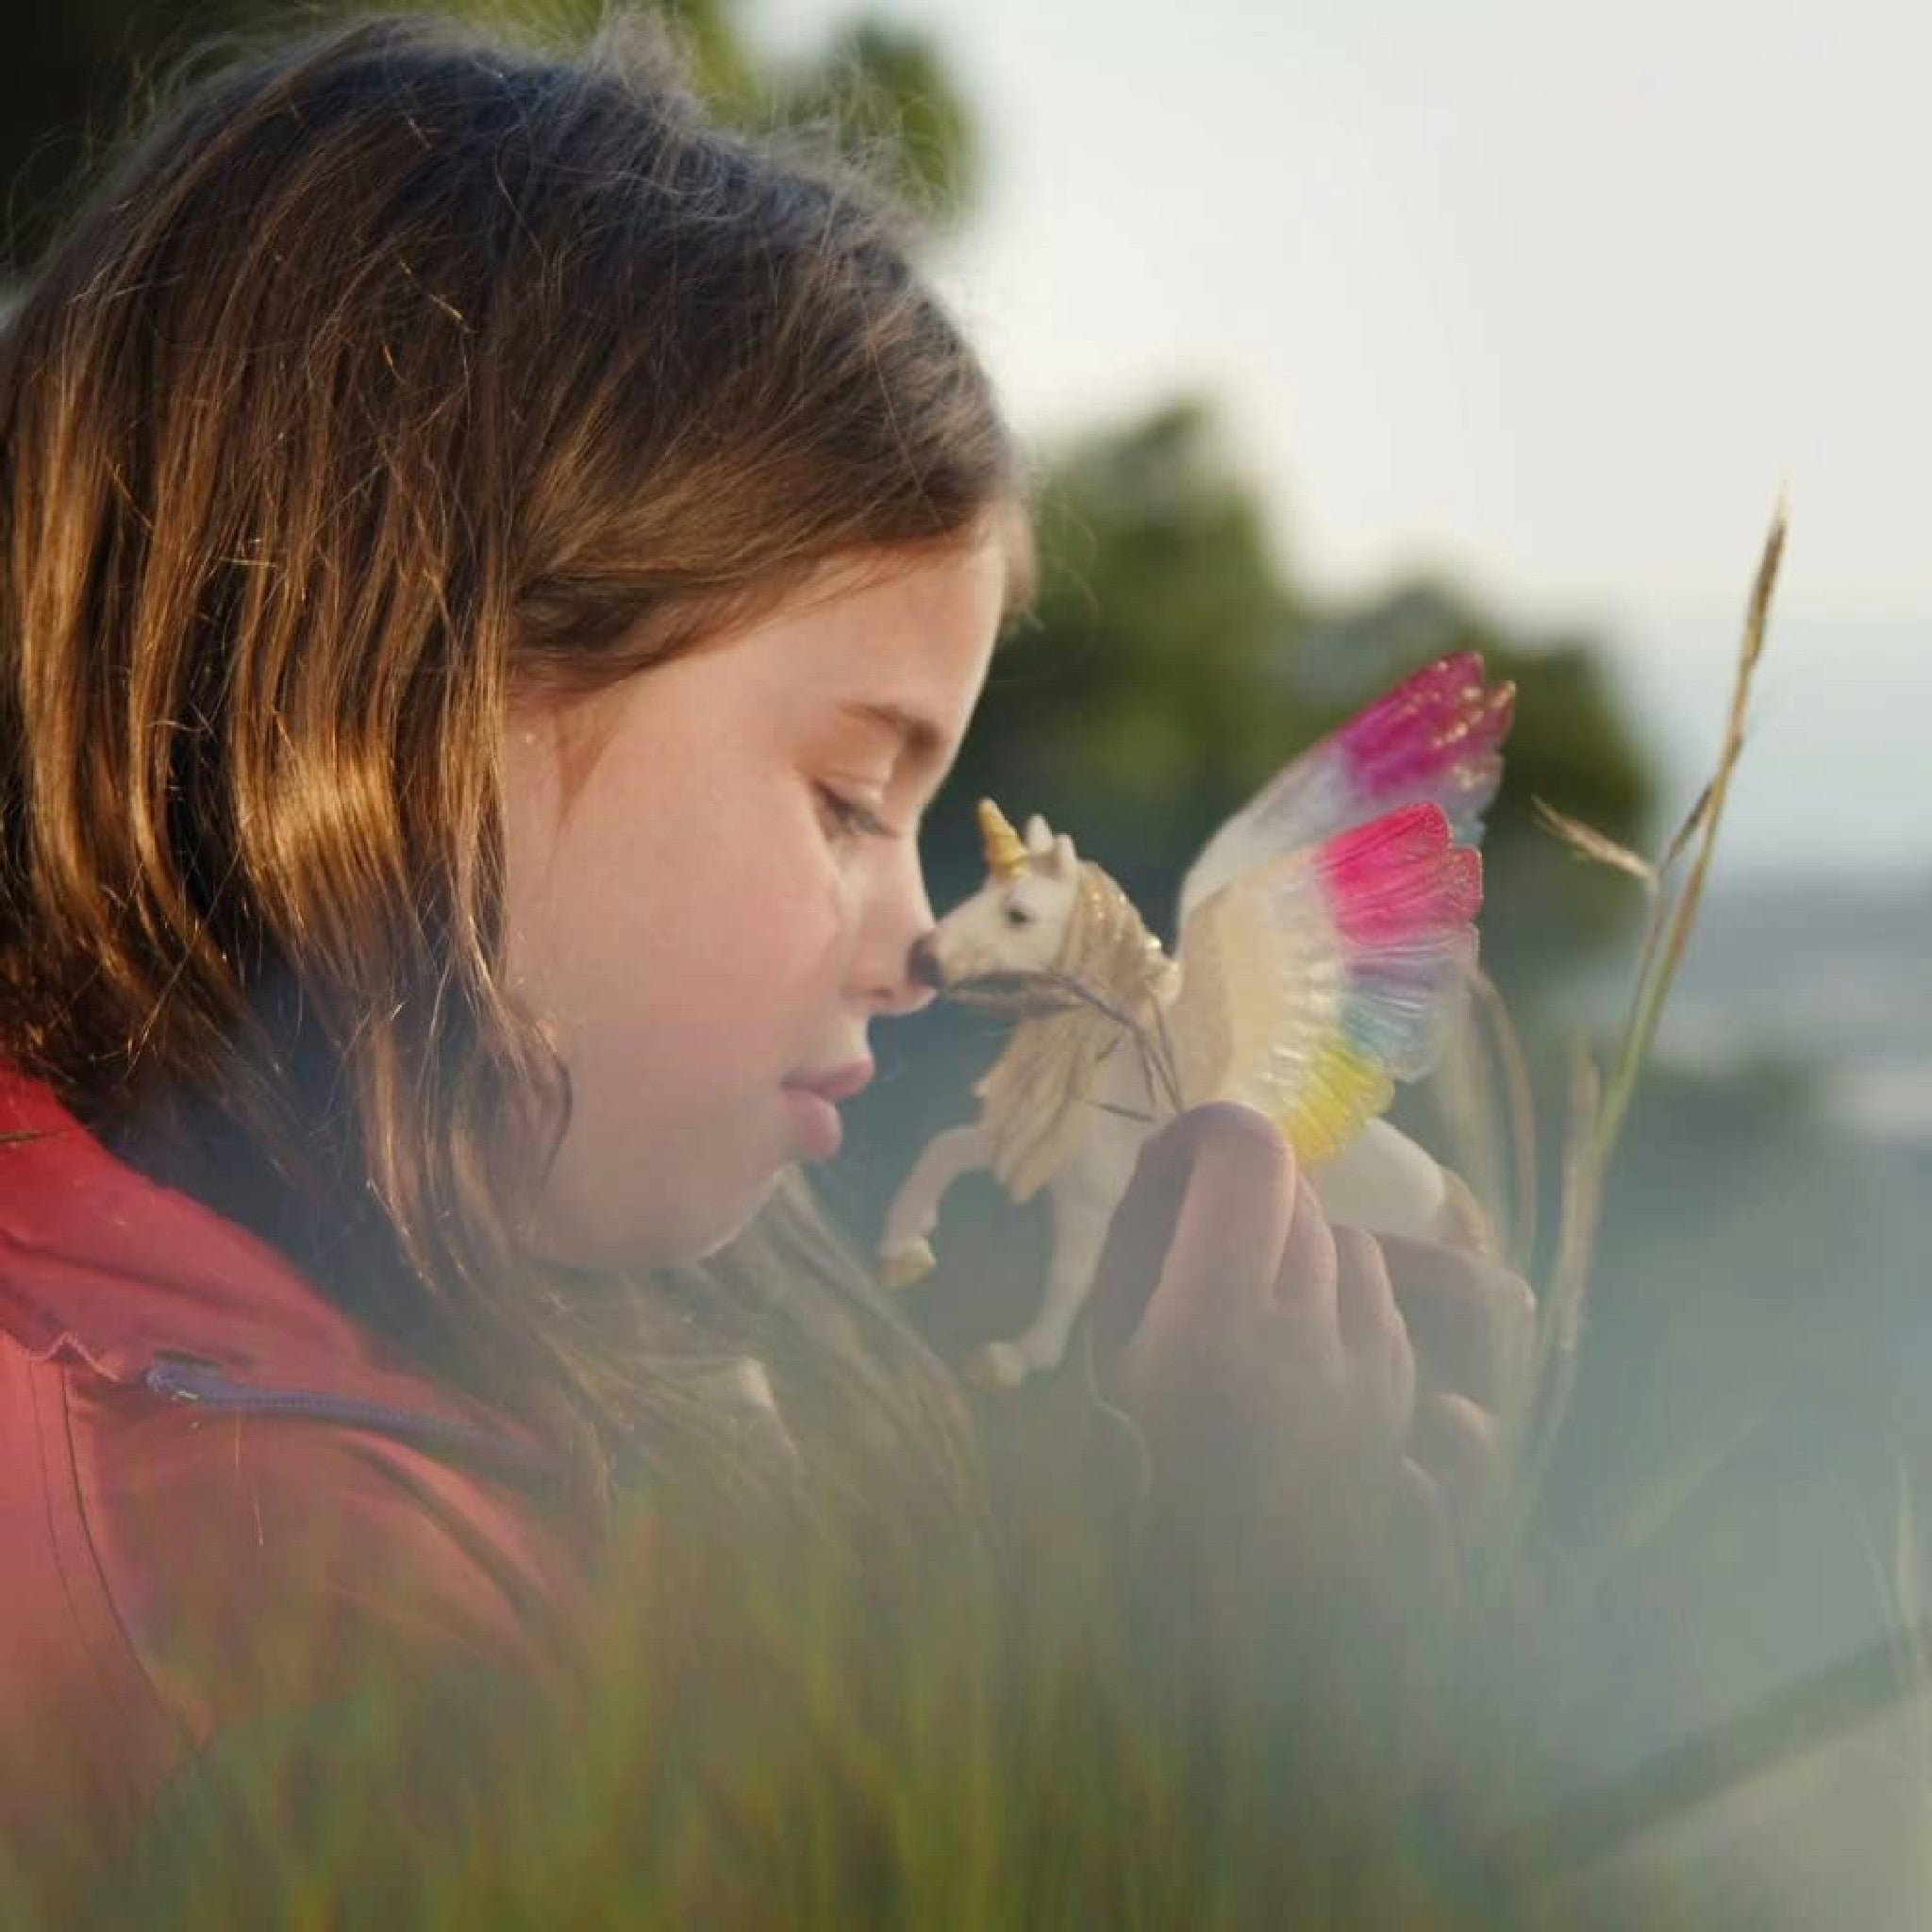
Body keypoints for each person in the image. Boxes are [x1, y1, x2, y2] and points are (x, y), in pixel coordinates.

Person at [0, 14, 1533, 1923]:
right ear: (409, 706)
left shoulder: (320, 1367)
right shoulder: (278, 1606)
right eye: (841, 794)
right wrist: (1236, 1681)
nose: (911, 946)